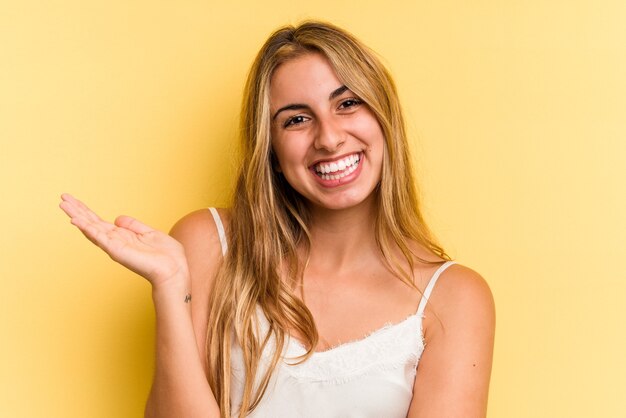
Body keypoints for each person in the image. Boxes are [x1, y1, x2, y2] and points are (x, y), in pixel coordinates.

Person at [60, 21, 495, 418]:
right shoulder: (207, 244)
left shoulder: (454, 299)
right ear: (270, 149)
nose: (329, 137)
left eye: (347, 103)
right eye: (297, 120)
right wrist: (171, 290)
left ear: (384, 118)